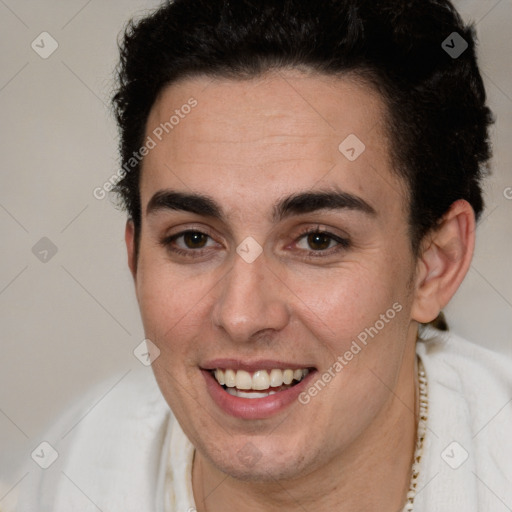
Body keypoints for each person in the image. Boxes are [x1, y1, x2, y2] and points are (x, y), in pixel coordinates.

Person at [17, 0, 512, 510]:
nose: (241, 316)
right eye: (193, 239)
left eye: (318, 240)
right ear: (135, 255)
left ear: (435, 264)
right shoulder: (69, 474)